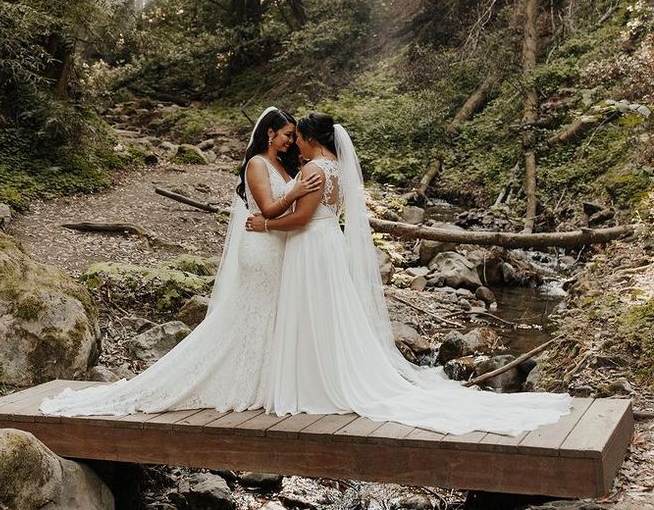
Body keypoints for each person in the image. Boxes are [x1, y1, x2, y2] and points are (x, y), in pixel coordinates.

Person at [245, 112, 571, 436]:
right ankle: (322, 375)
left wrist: (267, 223)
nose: (295, 144)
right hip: (327, 243)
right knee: (327, 313)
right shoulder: (337, 168)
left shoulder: (315, 168)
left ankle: (314, 383)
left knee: (312, 312)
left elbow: (302, 218)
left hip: (312, 245)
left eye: (299, 137)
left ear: (311, 138)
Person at [39, 106, 320, 417]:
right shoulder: (256, 164)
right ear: (270, 132)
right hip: (260, 248)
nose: (291, 141)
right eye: (287, 135)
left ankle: (262, 382)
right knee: (252, 314)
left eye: (294, 136)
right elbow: (267, 209)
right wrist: (296, 191)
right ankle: (228, 380)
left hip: (276, 246)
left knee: (266, 316)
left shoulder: (279, 164)